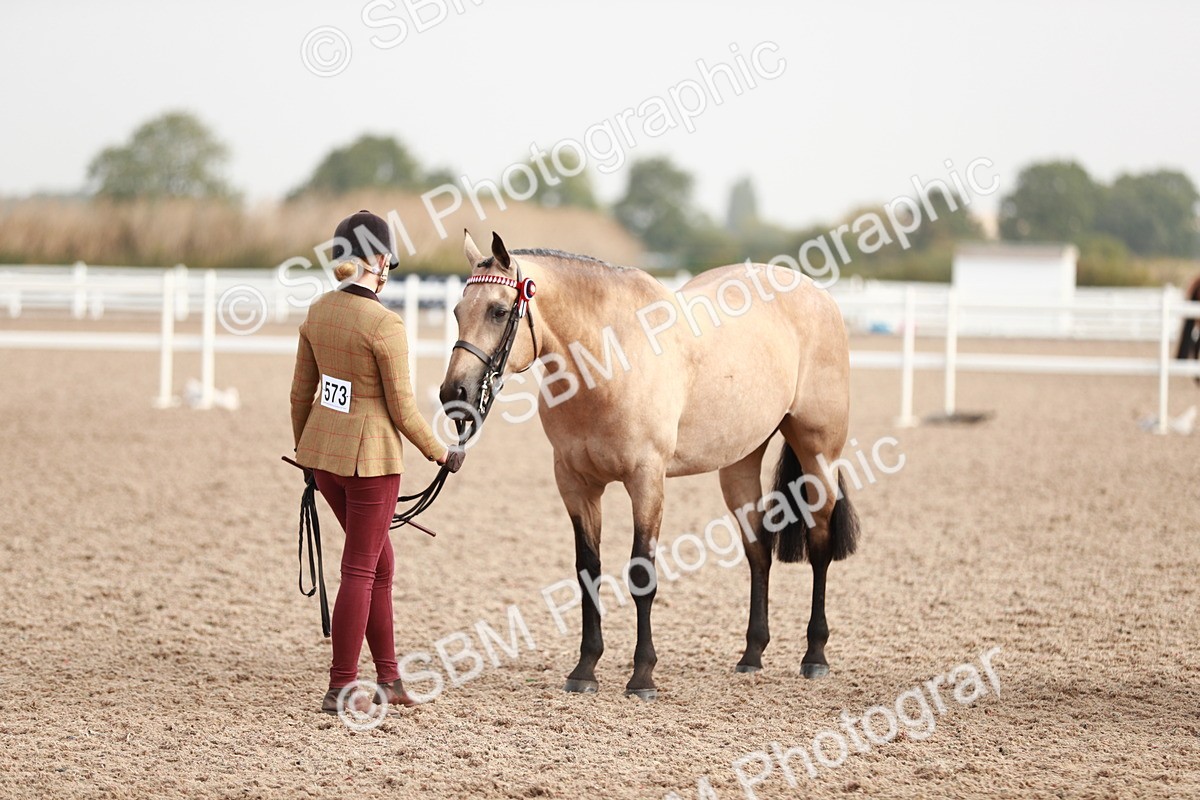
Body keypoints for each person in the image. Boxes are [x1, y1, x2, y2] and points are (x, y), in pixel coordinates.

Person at [290, 209, 464, 714]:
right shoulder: (385, 325)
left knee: (379, 565)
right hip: (372, 465)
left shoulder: (318, 312)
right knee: (361, 570)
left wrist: (306, 452)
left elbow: (302, 394)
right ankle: (341, 684)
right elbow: (403, 409)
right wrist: (441, 453)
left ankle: (389, 678)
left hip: (326, 463)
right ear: (379, 260)